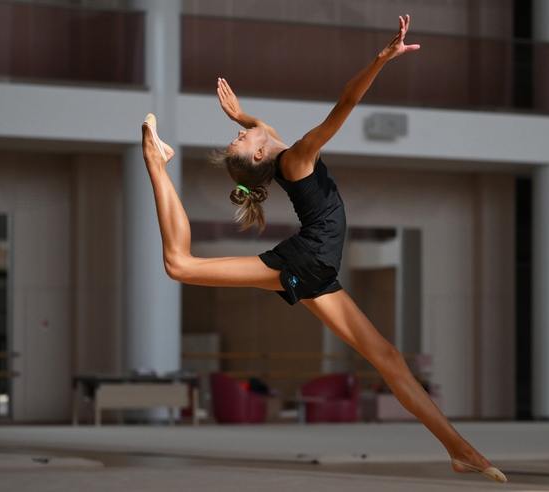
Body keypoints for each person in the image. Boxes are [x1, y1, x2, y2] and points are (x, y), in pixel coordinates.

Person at [140, 15, 506, 484]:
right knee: (179, 265)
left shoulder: (277, 153)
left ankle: (461, 450)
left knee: (389, 359)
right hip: (307, 260)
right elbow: (346, 102)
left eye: (238, 135)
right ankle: (156, 162)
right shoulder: (297, 158)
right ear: (257, 156)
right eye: (240, 139)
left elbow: (261, 127)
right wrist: (382, 57)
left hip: (317, 269)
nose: (240, 133)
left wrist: (241, 117)